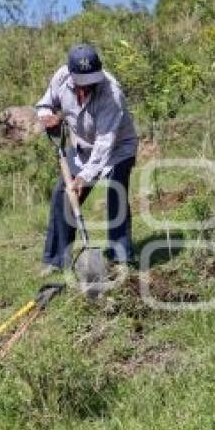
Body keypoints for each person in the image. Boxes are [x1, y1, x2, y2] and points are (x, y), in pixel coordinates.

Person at [36, 44, 139, 275]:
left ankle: (121, 258)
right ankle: (56, 261)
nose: (87, 85)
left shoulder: (112, 93)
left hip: (117, 149)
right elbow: (44, 104)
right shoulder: (61, 78)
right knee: (63, 196)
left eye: (91, 79)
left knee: (116, 193)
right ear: (71, 74)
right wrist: (47, 117)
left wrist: (84, 177)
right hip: (82, 149)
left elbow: (105, 142)